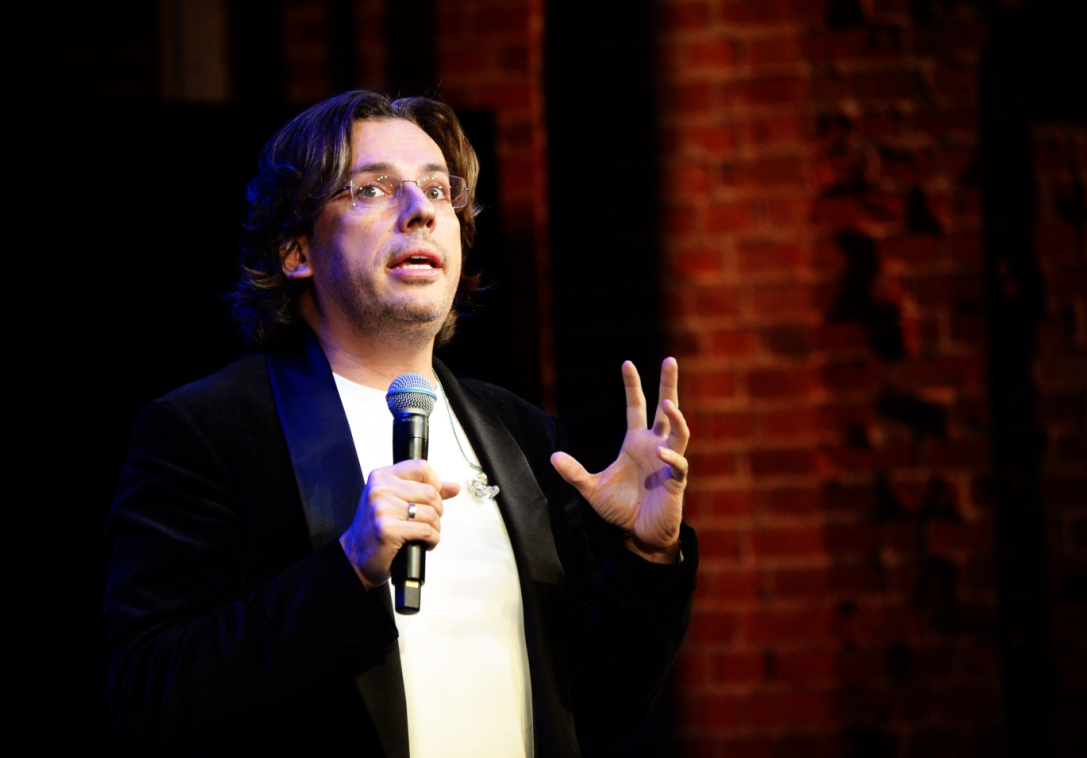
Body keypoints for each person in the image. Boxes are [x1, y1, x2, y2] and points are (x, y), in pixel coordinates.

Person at [103, 90, 698, 757]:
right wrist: (349, 568)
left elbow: (604, 700)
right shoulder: (209, 432)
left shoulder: (524, 437)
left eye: (439, 191)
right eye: (371, 190)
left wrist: (649, 557)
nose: (421, 211)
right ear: (296, 250)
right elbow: (149, 695)